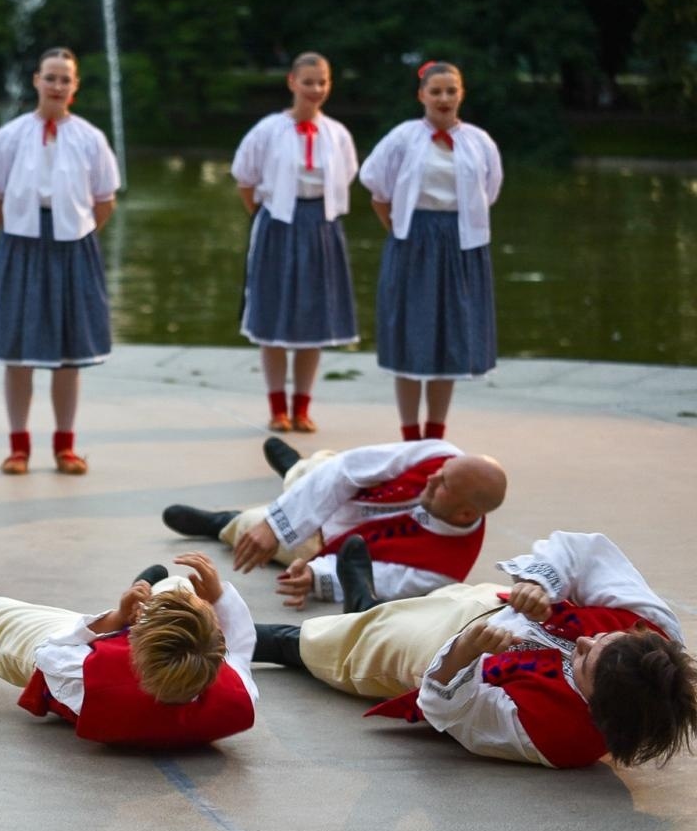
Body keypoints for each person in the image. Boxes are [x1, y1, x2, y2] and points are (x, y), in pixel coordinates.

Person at [253, 531, 697, 769]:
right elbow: (585, 553)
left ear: (597, 708)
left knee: (340, 645)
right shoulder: (653, 629)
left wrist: (466, 649)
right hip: (488, 599)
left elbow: (456, 713)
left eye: (584, 660)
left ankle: (256, 640)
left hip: (437, 651)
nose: (583, 639)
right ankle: (363, 598)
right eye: (602, 638)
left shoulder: (553, 738)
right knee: (402, 607)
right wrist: (538, 582)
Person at [0, 553, 257, 748]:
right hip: (157, 659)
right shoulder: (239, 697)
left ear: (132, 641)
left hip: (73, 668)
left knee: (1, 617)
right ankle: (152, 594)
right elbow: (241, 647)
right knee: (179, 588)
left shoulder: (89, 680)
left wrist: (114, 617)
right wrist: (218, 596)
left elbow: (52, 653)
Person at [0, 47, 120, 475]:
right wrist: (25, 230)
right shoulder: (12, 135)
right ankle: (18, 446)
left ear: (75, 87)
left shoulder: (90, 138)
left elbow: (104, 200)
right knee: (17, 350)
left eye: (66, 79)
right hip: (22, 244)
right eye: (50, 77)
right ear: (36, 81)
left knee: (68, 352)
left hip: (72, 247)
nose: (57, 86)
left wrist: (74, 233)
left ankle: (65, 445)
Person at [163, 437, 506, 609]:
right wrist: (275, 525)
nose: (432, 478)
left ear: (465, 514)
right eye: (441, 473)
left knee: (249, 527)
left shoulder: (444, 568)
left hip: (327, 543)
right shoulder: (439, 454)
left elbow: (380, 581)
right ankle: (296, 468)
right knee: (321, 470)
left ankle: (222, 523)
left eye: (443, 485)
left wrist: (315, 576)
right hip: (344, 493)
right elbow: (350, 468)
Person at [359, 61, 503, 442]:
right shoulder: (403, 138)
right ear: (421, 94)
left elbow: (490, 190)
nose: (443, 98)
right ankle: (409, 436)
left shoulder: (479, 141)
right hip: (413, 240)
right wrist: (402, 231)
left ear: (461, 94)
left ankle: (435, 435)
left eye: (451, 91)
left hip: (459, 244)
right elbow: (377, 188)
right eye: (435, 91)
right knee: (409, 335)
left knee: (447, 338)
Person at [231, 52, 359, 434]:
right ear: (292, 83)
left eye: (322, 82)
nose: (316, 90)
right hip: (278, 223)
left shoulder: (336, 133)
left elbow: (348, 173)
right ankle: (276, 407)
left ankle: (302, 406)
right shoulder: (269, 129)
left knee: (312, 319)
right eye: (308, 82)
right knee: (274, 315)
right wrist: (264, 216)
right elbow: (245, 178)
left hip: (320, 225)